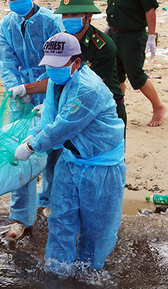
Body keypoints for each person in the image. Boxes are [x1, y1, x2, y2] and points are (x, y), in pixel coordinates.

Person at [14, 32, 126, 275]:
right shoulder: (57, 82)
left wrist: (32, 146)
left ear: (76, 62)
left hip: (100, 167)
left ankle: (90, 274)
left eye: (58, 65)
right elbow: (49, 119)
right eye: (49, 65)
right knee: (61, 220)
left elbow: (63, 127)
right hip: (71, 159)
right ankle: (57, 273)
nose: (52, 70)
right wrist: (33, 135)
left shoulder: (88, 89)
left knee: (95, 228)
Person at [0, 0, 64, 241]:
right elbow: (6, 59)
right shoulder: (7, 24)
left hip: (50, 88)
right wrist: (15, 88)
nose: (17, 3)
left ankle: (48, 202)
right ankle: (20, 216)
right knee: (20, 152)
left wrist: (42, 94)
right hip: (21, 94)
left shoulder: (51, 22)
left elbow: (58, 64)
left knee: (52, 148)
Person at [105, 0, 166, 127]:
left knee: (136, 76)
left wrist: (151, 36)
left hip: (132, 35)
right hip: (115, 32)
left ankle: (158, 107)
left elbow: (150, 8)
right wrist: (109, 25)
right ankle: (118, 108)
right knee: (116, 74)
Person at [54, 0, 126, 124]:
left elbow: (91, 88)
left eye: (74, 14)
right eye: (65, 15)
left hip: (104, 110)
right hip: (72, 104)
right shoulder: (61, 42)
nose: (68, 19)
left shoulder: (103, 46)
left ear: (89, 16)